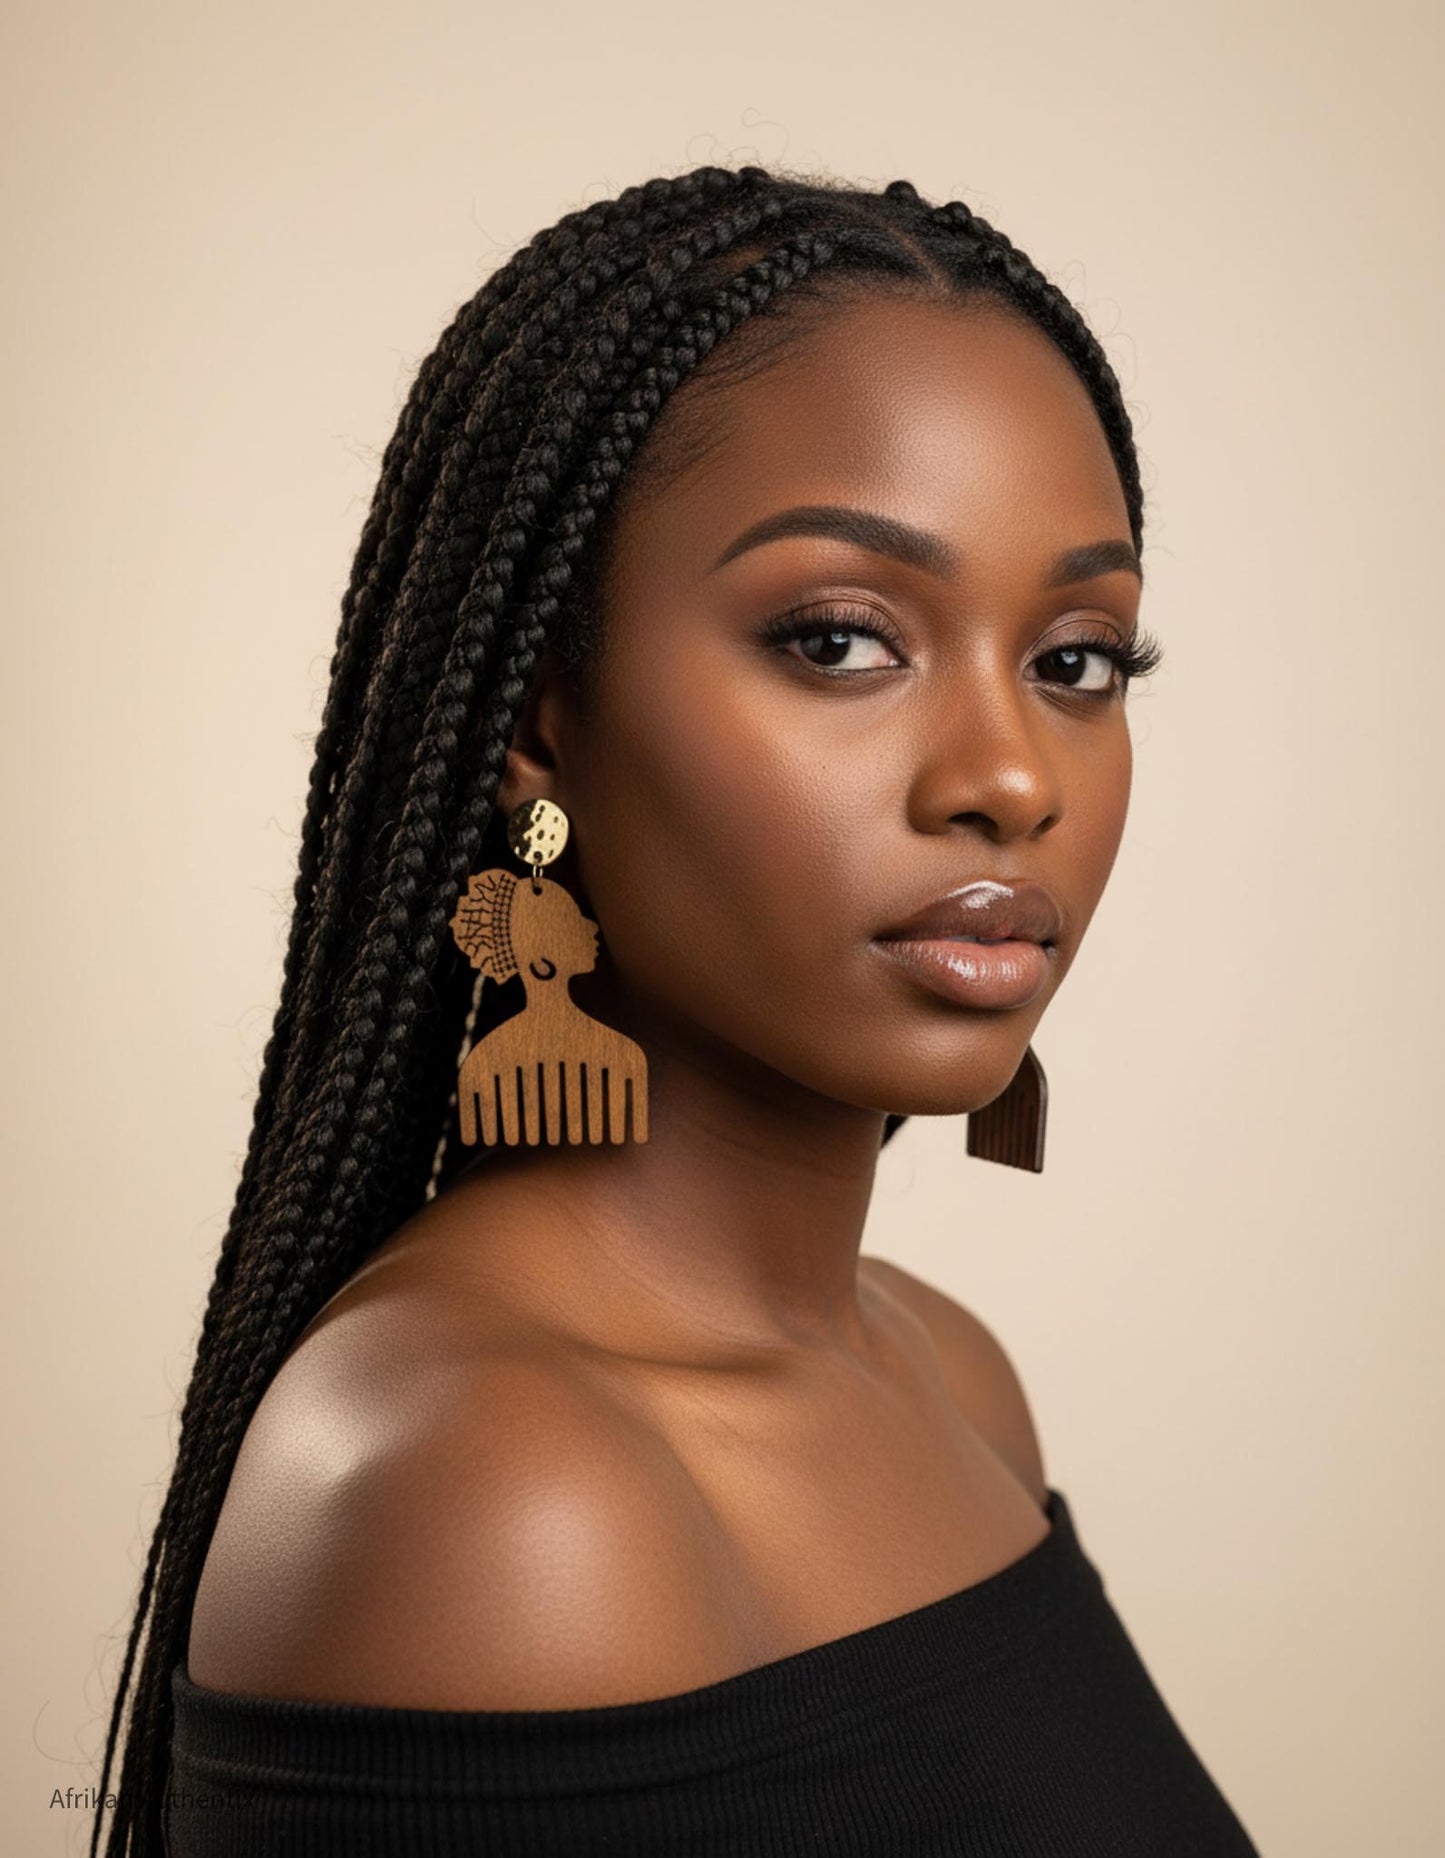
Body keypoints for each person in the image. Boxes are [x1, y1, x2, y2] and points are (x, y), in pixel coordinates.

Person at [91, 164, 1262, 1855]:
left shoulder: (952, 1377)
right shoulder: (480, 1487)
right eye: (841, 638)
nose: (1011, 776)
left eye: (1075, 658)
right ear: (541, 723)